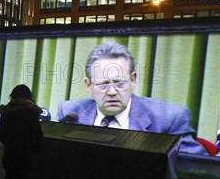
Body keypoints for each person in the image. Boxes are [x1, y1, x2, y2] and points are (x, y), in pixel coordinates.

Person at [57, 41, 207, 155]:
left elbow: (196, 171)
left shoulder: (169, 117)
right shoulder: (70, 112)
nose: (111, 92)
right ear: (88, 85)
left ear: (133, 79)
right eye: (103, 85)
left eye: (119, 83)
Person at [0, 84, 43, 179]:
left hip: (9, 151)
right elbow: (37, 134)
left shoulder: (6, 111)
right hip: (25, 152)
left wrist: (7, 143)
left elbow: (1, 132)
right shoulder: (31, 112)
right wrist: (35, 149)